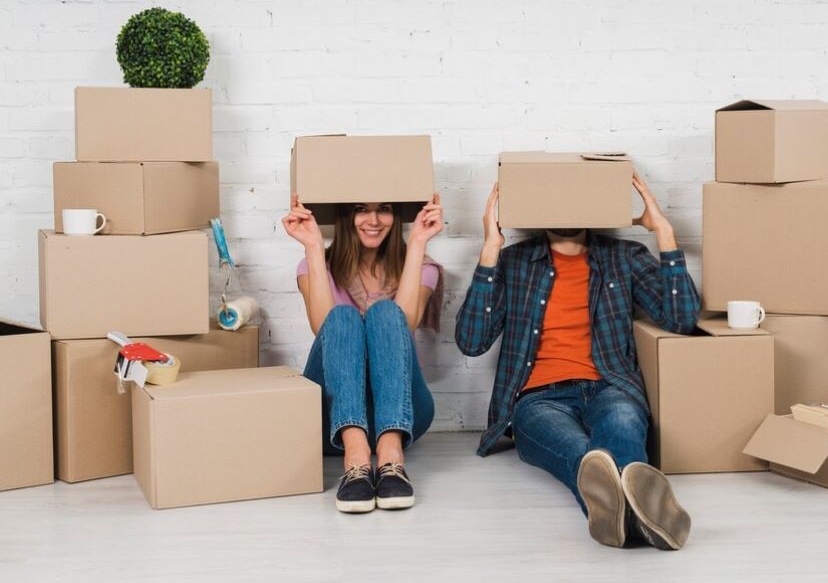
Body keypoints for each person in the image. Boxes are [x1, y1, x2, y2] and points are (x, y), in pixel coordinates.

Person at [455, 174, 700, 550]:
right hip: (538, 399)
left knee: (622, 425)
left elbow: (681, 319)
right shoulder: (513, 262)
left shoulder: (625, 257)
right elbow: (471, 342)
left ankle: (621, 521)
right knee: (582, 455)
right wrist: (489, 250)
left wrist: (664, 234)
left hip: (610, 386)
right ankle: (645, 519)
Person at [283, 193, 443, 513]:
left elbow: (406, 323)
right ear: (345, 216)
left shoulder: (423, 267)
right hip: (333, 416)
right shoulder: (313, 266)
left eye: (384, 209)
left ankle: (391, 457)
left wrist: (417, 242)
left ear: (396, 215)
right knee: (341, 317)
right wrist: (313, 246)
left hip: (403, 412)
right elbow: (324, 327)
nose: (373, 220)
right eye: (360, 210)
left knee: (386, 312)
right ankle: (355, 458)